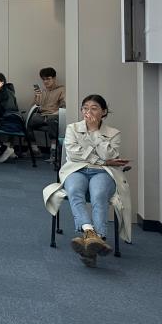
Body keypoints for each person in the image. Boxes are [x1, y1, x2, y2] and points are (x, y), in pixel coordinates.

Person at [60, 95, 130, 267]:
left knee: (99, 195)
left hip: (103, 172)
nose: (88, 112)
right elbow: (74, 154)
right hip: (76, 169)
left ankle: (90, 239)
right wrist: (102, 160)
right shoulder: (72, 128)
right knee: (75, 191)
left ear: (103, 112)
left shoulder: (114, 133)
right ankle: (94, 236)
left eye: (94, 108)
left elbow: (109, 155)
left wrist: (95, 133)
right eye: (85, 108)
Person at [29, 67, 67, 152]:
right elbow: (36, 106)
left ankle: (53, 149)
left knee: (51, 120)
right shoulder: (43, 91)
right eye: (43, 79)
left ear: (54, 78)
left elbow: (64, 107)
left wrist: (54, 114)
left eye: (48, 79)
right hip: (43, 115)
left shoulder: (61, 90)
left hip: (54, 115)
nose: (45, 81)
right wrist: (37, 97)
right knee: (29, 120)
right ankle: (34, 149)